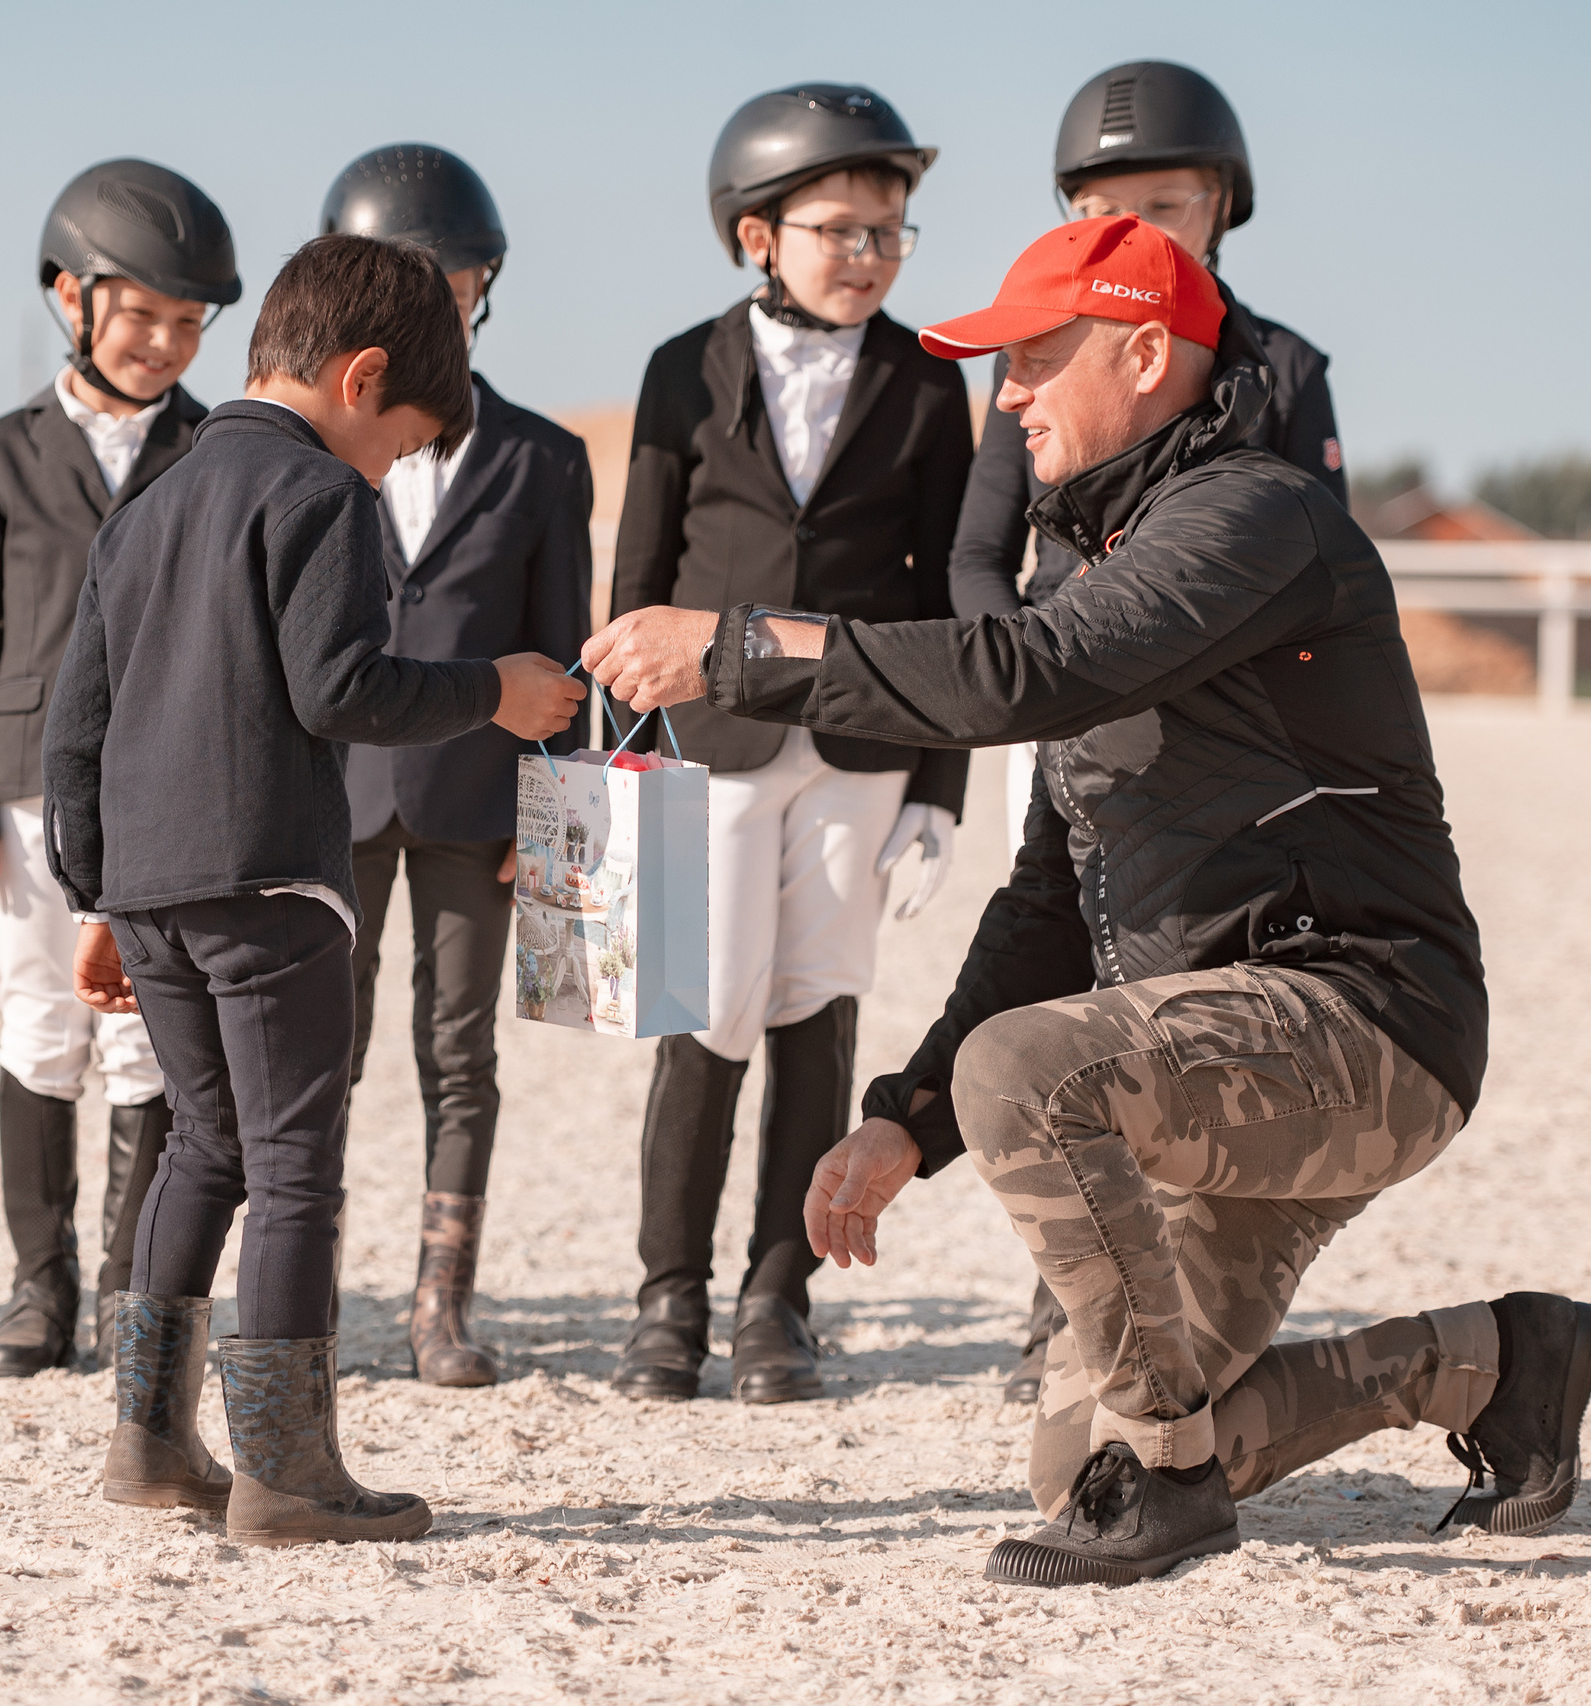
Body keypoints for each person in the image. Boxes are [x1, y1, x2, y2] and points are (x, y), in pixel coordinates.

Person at [583, 217, 1591, 1586]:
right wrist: (906, 1118)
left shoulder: (1260, 515)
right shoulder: (1099, 565)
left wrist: (740, 641)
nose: (1004, 401)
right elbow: (1047, 898)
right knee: (1085, 1465)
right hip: (1211, 1056)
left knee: (1034, 1084)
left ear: (1142, 353)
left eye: (1032, 363)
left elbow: (1027, 673)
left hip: (1360, 1026)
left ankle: (1176, 1486)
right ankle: (1494, 1362)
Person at [44, 234, 585, 1543]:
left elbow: (73, 726)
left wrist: (96, 888)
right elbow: (340, 686)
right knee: (294, 1160)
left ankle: (149, 1438)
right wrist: (494, 689)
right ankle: (285, 1471)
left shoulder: (152, 500)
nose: (387, 467)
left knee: (201, 1139)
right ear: (361, 379)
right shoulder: (320, 496)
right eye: (396, 444)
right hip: (272, 875)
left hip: (152, 881)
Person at [961, 61, 1356, 1407]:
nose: (1140, 222)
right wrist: (1025, 662)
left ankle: (1184, 1260)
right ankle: (1059, 1281)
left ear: (1224, 206)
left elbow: (1307, 563)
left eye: (1167, 202)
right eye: (1103, 201)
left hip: (1224, 734)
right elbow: (974, 558)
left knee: (1191, 979)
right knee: (1062, 968)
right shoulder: (1049, 350)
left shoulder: (1286, 371)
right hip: (1066, 699)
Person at [605, 84, 974, 1408]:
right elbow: (637, 585)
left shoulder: (933, 381)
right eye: (840, 229)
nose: (869, 254)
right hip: (707, 741)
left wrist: (942, 782)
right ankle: (669, 1298)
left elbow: (952, 599)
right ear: (758, 235)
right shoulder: (678, 369)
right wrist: (615, 782)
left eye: (890, 232)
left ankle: (778, 1297)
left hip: (865, 741)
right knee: (705, 1013)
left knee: (817, 1007)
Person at [0, 159, 238, 1378]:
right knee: (39, 1017)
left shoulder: (217, 446)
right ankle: (36, 1286)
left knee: (145, 1033)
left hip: (160, 781)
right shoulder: (2, 451)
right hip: (20, 780)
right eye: (141, 315)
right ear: (71, 295)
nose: (164, 342)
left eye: (186, 323)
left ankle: (129, 1287)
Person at [319, 144, 593, 1389]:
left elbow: (560, 648)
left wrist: (550, 818)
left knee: (460, 1050)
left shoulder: (542, 458)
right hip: (338, 793)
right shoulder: (313, 454)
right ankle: (304, 1286)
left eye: (459, 277)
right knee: (325, 1043)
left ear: (487, 286)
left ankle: (442, 1302)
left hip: (476, 799)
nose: (441, 297)